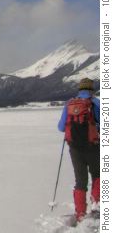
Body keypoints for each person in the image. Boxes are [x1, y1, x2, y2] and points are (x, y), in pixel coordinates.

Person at [58, 77, 100, 221]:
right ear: (91, 89)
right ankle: (97, 205)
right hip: (93, 146)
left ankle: (80, 213)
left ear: (80, 89)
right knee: (98, 174)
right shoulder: (96, 103)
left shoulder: (69, 104)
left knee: (80, 180)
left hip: (74, 148)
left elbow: (61, 127)